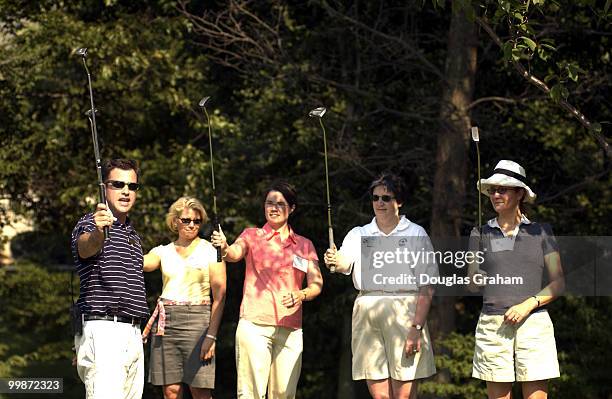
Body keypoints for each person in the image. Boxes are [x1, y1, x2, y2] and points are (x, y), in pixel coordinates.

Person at [324, 173, 437, 399]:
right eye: (375, 198)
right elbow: (344, 263)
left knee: (403, 396)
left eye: (386, 198)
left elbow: (428, 286)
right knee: (380, 397)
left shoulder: (416, 233)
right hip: (367, 309)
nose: (380, 203)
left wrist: (416, 329)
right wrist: (333, 259)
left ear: (399, 201)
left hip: (405, 311)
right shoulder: (359, 233)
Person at [211, 180, 323, 399]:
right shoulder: (251, 235)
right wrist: (224, 246)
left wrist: (301, 294)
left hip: (290, 330)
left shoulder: (304, 245)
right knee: (251, 393)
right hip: (255, 326)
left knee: (284, 394)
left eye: (280, 203)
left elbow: (316, 284)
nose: (273, 207)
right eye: (269, 202)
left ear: (292, 209)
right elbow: (234, 253)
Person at [467, 160, 565, 399]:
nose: (496, 194)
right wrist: (476, 277)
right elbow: (471, 281)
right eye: (493, 190)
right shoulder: (479, 233)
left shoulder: (541, 231)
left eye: (503, 189)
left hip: (534, 323)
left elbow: (558, 283)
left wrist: (528, 304)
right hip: (493, 324)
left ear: (520, 193)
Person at [70, 158, 148, 399]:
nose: (126, 191)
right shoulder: (89, 223)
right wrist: (98, 232)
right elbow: (85, 247)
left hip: (134, 333)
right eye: (118, 184)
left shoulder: (133, 235)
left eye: (132, 186)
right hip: (104, 331)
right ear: (104, 188)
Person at [141, 196, 226, 399]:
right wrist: (116, 242)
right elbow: (143, 263)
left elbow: (220, 295)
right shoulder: (163, 251)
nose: (191, 225)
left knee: (200, 391)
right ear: (175, 221)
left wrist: (211, 337)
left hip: (199, 323)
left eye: (197, 221)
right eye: (186, 220)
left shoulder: (211, 250)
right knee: (170, 392)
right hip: (166, 324)